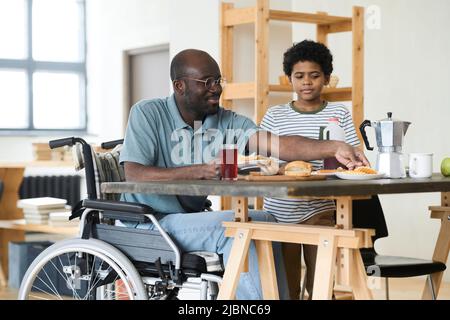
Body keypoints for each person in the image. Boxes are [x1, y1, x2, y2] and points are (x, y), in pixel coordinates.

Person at [119, 48, 368, 300]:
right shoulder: (148, 113)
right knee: (239, 229)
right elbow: (135, 174)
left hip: (188, 221)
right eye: (207, 82)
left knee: (266, 221)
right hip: (150, 223)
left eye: (218, 81)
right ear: (179, 85)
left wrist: (334, 147)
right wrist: (200, 171)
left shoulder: (227, 121)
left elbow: (280, 145)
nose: (216, 88)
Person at [260, 40, 361, 299]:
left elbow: (354, 155)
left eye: (314, 75)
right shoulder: (275, 115)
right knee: (287, 285)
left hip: (322, 208)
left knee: (321, 282)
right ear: (289, 80)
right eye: (299, 76)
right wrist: (285, 168)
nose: (307, 82)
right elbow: (261, 161)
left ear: (326, 78)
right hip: (280, 212)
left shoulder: (339, 113)